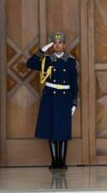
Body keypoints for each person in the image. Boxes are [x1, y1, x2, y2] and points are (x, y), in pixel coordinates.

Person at [26, 31, 78, 169]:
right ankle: (54, 161)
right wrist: (43, 49)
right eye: (54, 43)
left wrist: (74, 102)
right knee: (52, 129)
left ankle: (62, 161)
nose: (57, 45)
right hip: (50, 97)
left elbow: (74, 83)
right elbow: (30, 63)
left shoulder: (71, 61)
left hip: (65, 98)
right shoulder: (47, 59)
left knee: (64, 130)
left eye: (60, 43)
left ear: (64, 45)